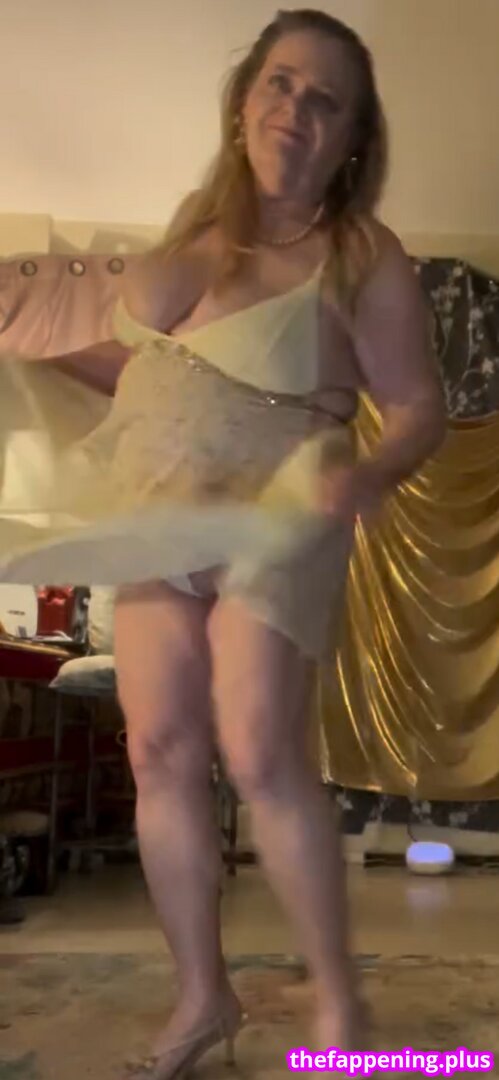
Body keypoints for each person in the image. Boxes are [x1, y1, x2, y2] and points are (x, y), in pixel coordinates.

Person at [0, 9, 446, 1078]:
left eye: (325, 99)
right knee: (157, 750)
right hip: (159, 509)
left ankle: (337, 1005)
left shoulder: (361, 253)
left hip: (279, 508)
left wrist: (367, 473)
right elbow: (156, 375)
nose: (296, 109)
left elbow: (418, 406)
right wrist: (39, 357)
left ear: (351, 138)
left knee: (256, 750)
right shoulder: (189, 238)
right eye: (281, 84)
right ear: (245, 99)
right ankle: (203, 997)